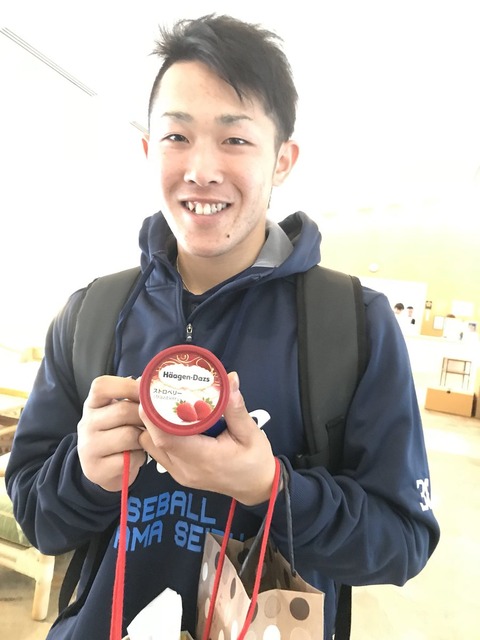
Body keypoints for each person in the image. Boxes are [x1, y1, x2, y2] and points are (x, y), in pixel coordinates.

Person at [6, 14, 440, 640]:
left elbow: (401, 542)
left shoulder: (353, 324)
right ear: (149, 150)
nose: (201, 168)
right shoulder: (90, 314)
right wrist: (84, 474)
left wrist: (271, 489)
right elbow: (37, 517)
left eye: (235, 139)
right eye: (177, 136)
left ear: (282, 160)